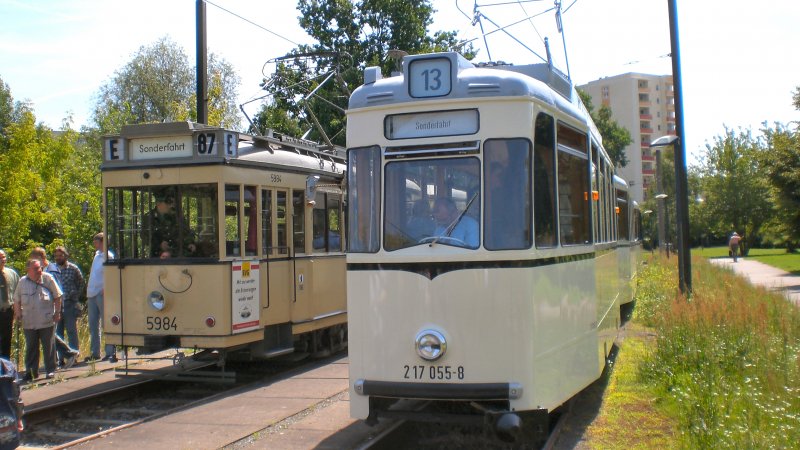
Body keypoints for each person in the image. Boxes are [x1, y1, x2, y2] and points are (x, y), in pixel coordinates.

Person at [29, 248, 79, 369]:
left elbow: (57, 292)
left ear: (41, 258)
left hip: (53, 307)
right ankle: (58, 359)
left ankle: (68, 355)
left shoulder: (51, 270)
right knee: (52, 334)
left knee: (51, 334)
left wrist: (58, 309)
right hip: (44, 308)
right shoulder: (46, 269)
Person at [13, 258, 62, 381]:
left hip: (46, 320)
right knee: (31, 347)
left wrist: (57, 312)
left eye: (40, 267)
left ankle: (50, 370)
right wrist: (18, 313)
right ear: (28, 270)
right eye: (35, 269)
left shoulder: (48, 278)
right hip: (29, 321)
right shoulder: (22, 282)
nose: (39, 270)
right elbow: (16, 299)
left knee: (49, 347)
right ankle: (31, 372)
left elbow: (57, 296)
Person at [51, 246, 84, 368]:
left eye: (61, 255)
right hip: (57, 304)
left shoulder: (73, 268)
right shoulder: (52, 269)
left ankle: (74, 356)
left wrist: (75, 295)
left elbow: (81, 282)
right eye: (57, 256)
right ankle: (61, 359)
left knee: (71, 330)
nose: (58, 258)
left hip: (70, 303)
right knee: (58, 333)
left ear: (66, 256)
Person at [86, 233, 117, 363]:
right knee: (93, 324)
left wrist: (107, 288)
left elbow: (112, 274)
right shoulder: (97, 255)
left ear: (103, 242)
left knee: (106, 323)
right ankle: (95, 352)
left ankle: (110, 351)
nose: (94, 244)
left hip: (101, 292)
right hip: (92, 292)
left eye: (97, 242)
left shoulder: (108, 256)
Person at [148, 188, 195, 258]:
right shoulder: (149, 217)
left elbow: (186, 231)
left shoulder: (176, 216)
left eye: (173, 202)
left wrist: (190, 243)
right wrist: (159, 245)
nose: (172, 205)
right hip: (158, 258)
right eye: (168, 202)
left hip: (179, 256)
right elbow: (145, 237)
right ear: (159, 203)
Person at [0, 250, 19, 360]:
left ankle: (6, 367)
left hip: (8, 311)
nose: (3, 260)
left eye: (4, 257)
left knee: (6, 340)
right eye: (0, 258)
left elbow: (18, 292)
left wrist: (18, 310)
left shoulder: (12, 274)